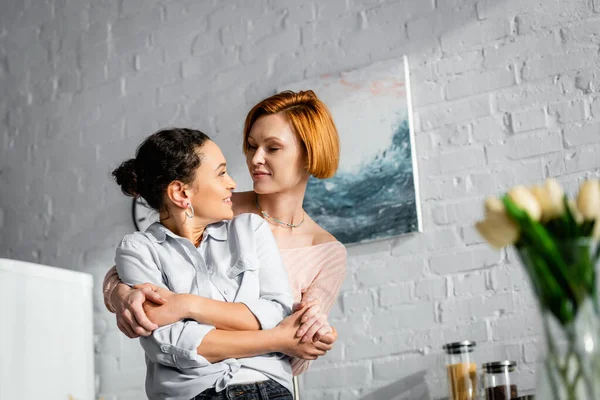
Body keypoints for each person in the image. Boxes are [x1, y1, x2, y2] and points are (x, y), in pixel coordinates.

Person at [103, 90, 347, 375]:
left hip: (264, 383)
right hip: (190, 382)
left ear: (310, 153)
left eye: (273, 148)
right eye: (252, 146)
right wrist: (123, 296)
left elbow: (296, 352)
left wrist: (317, 334)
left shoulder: (326, 252)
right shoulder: (219, 208)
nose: (255, 159)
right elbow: (132, 271)